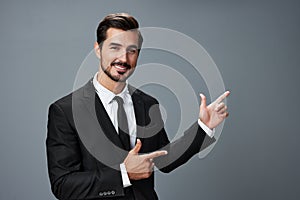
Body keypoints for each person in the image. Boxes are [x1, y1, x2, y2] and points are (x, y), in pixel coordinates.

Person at [46, 13, 230, 200]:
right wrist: (123, 173)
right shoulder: (66, 111)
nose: (123, 58)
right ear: (98, 49)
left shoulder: (148, 104)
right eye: (115, 48)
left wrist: (203, 127)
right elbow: (63, 186)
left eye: (132, 50)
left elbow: (164, 159)